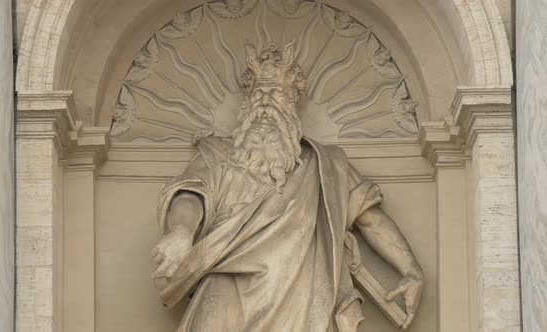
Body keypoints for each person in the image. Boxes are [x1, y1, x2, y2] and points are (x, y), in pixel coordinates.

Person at [151, 42, 423, 331]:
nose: (266, 104)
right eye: (260, 95)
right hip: (224, 300)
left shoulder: (326, 165)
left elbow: (370, 221)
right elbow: (190, 196)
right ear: (247, 105)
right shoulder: (217, 156)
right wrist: (181, 231)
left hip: (300, 303)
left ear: (291, 104)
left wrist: (410, 270)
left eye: (276, 95)